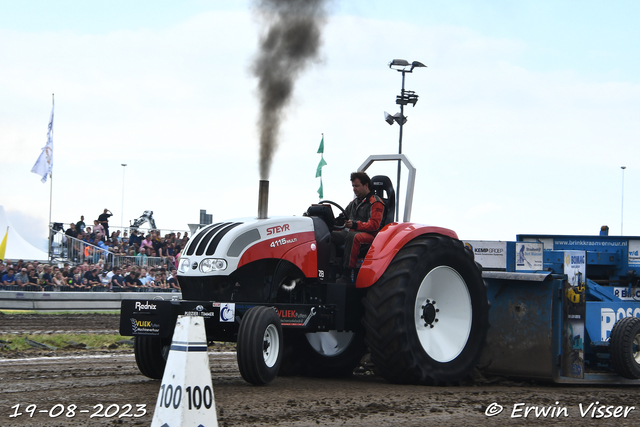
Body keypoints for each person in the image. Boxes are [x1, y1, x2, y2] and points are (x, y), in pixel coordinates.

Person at [331, 171, 385, 283]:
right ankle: (332, 268)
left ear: (366, 185)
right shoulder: (354, 203)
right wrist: (331, 221)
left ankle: (346, 274)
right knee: (329, 236)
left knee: (353, 236)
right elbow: (342, 217)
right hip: (351, 231)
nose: (354, 189)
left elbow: (375, 225)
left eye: (357, 186)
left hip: (372, 236)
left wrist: (355, 225)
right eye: (353, 186)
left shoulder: (375, 202)